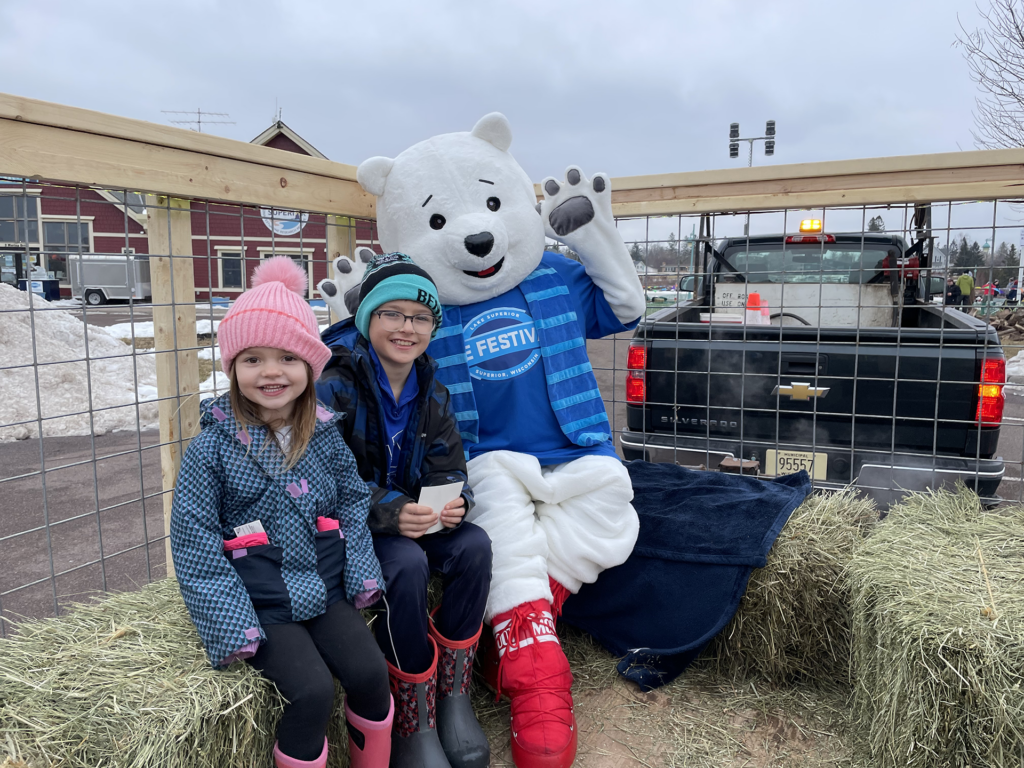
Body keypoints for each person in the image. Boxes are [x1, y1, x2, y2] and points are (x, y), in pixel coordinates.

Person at [171, 257, 393, 768]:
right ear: (232, 369)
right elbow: (194, 541)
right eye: (252, 359)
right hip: (262, 604)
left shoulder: (325, 436)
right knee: (312, 691)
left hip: (326, 590)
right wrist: (233, 625)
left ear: (310, 369)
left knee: (370, 674)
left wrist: (359, 572)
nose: (271, 372)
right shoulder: (211, 451)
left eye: (287, 358)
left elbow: (354, 502)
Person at [317, 252, 493, 768]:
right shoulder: (335, 386)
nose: (406, 328)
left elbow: (449, 465)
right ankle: (413, 719)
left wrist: (454, 501)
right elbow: (321, 480)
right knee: (407, 564)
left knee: (475, 547)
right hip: (351, 528)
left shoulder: (432, 391)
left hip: (414, 519)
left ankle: (453, 698)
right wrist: (392, 511)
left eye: (419, 317)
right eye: (392, 313)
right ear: (368, 317)